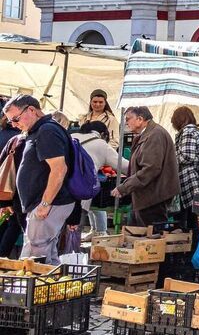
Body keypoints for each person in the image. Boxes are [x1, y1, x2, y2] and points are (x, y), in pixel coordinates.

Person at [3, 96, 74, 262]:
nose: (13, 124)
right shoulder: (40, 130)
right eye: (10, 122)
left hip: (48, 204)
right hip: (44, 204)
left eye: (15, 119)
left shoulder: (47, 130)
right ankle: (53, 286)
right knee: (46, 255)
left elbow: (59, 169)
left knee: (34, 257)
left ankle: (35, 287)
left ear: (31, 110)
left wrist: (45, 203)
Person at [113, 106, 180, 226]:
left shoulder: (155, 135)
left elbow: (151, 169)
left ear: (140, 119)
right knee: (135, 235)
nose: (126, 123)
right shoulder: (149, 134)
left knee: (149, 239)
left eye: (128, 119)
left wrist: (124, 187)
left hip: (152, 198)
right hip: (146, 196)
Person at [72, 121, 122, 234]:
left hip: (59, 191)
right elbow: (123, 166)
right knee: (75, 228)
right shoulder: (101, 144)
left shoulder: (71, 136)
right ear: (103, 134)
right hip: (80, 192)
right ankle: (73, 249)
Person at [172, 107, 199, 231]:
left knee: (191, 216)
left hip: (190, 178)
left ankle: (192, 245)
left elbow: (187, 156)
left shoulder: (187, 131)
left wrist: (170, 158)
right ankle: (197, 242)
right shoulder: (197, 131)